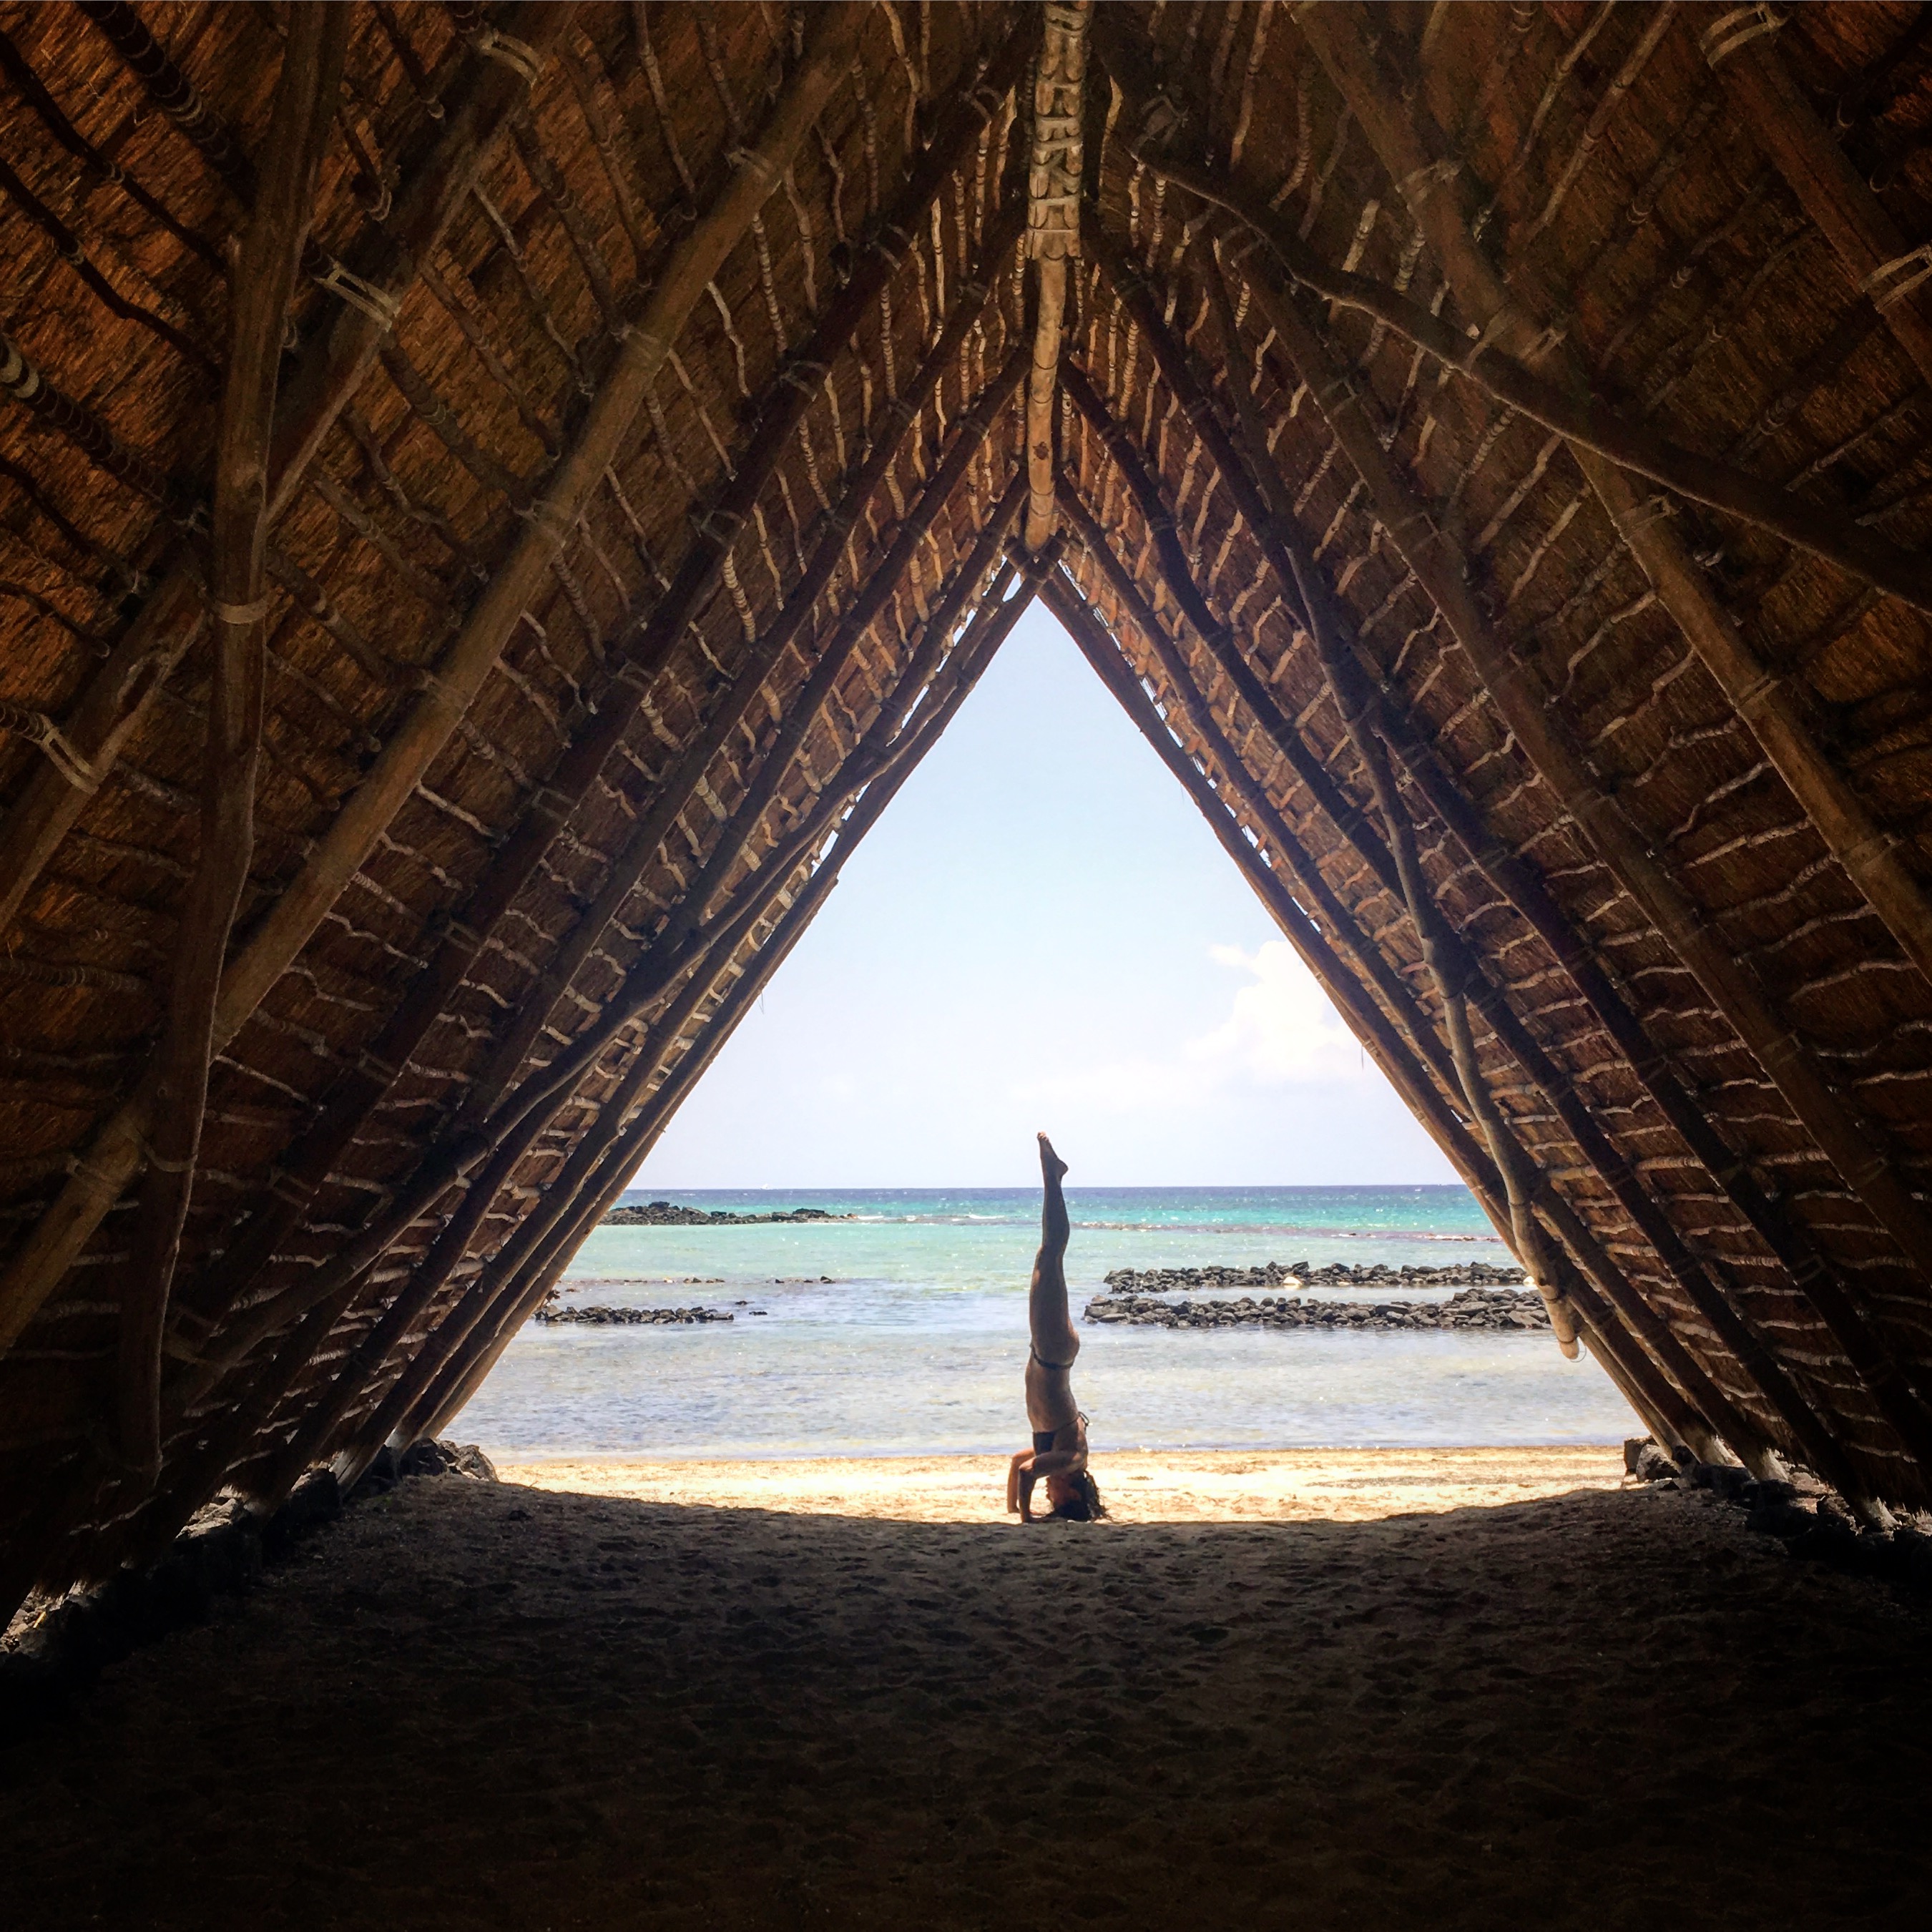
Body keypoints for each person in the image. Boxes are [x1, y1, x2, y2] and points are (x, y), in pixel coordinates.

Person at [1006, 1133, 1107, 1524]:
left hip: (1045, 1354)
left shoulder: (1060, 1461)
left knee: (1047, 1257)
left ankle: (1053, 1177)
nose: (1049, 1493)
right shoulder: (1072, 1460)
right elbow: (1031, 1472)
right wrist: (1028, 1520)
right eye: (1055, 1497)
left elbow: (1020, 1462)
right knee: (1050, 1253)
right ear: (1070, 1492)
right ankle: (1054, 1176)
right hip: (1053, 1353)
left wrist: (1013, 1507)